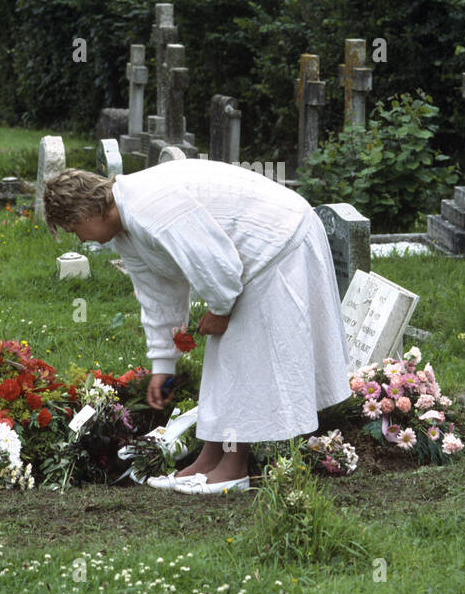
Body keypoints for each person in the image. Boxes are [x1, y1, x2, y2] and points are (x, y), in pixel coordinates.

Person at [42, 159, 350, 494]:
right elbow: (157, 296)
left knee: (241, 357)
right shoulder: (127, 231)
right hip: (247, 261)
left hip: (278, 241)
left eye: (75, 230)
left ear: (86, 213)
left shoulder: (150, 208)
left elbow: (214, 260)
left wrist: (220, 308)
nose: (82, 239)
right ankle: (207, 461)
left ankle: (233, 469)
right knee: (224, 357)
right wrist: (163, 366)